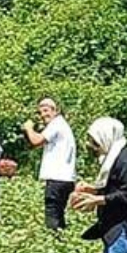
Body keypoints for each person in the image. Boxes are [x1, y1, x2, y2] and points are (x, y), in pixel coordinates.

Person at [71, 117, 127, 253]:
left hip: (123, 225)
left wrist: (96, 200)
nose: (92, 146)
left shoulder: (125, 161)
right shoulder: (114, 156)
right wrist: (92, 189)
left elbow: (126, 195)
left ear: (107, 137)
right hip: (111, 224)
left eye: (95, 141)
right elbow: (114, 186)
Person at [22, 98, 77, 230]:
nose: (43, 115)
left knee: (52, 214)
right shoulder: (62, 125)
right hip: (66, 178)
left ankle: (54, 240)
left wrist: (29, 128)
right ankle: (62, 240)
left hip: (57, 178)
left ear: (55, 110)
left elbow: (36, 141)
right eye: (41, 112)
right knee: (59, 214)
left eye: (46, 110)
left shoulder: (56, 124)